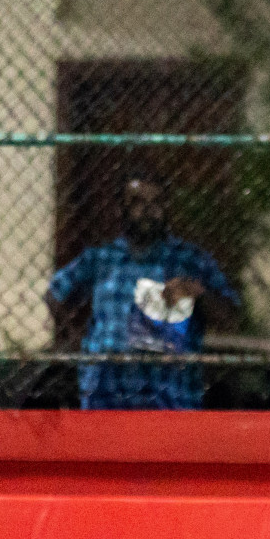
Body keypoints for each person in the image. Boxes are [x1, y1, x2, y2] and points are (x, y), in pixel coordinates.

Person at [47, 168, 238, 410]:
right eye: (137, 202)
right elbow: (55, 292)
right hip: (107, 392)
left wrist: (197, 293)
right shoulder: (102, 259)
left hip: (170, 392)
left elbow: (229, 314)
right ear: (121, 209)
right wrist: (73, 339)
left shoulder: (189, 260)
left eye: (156, 202)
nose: (148, 210)